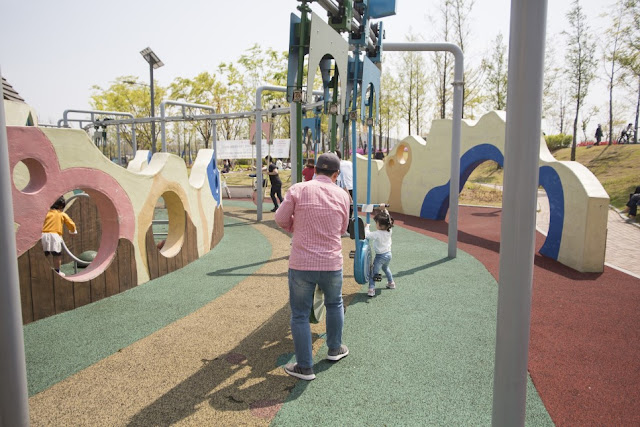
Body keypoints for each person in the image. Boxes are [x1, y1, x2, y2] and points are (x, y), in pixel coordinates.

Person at [275, 152, 351, 381]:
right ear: (336, 174)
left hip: (301, 263)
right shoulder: (342, 195)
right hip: (331, 262)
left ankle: (305, 367)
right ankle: (334, 349)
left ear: (315, 170)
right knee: (335, 303)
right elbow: (342, 228)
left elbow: (280, 218)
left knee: (299, 314)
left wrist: (294, 229)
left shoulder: (298, 189)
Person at [41, 196, 77, 276]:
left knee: (45, 254)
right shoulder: (61, 214)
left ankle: (44, 270)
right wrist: (73, 231)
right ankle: (57, 271)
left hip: (43, 235)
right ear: (61, 206)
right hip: (55, 235)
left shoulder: (46, 213)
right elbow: (71, 224)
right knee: (57, 254)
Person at [364, 209, 396, 297]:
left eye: (376, 223)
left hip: (380, 256)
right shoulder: (389, 231)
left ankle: (371, 289)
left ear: (381, 225)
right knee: (385, 268)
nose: (376, 224)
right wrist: (385, 210)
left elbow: (367, 235)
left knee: (373, 272)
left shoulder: (378, 233)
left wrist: (366, 227)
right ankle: (391, 283)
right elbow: (388, 219)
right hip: (388, 254)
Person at [335, 150, 354, 221]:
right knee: (348, 211)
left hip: (341, 190)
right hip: (350, 187)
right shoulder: (349, 163)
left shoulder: (336, 167)